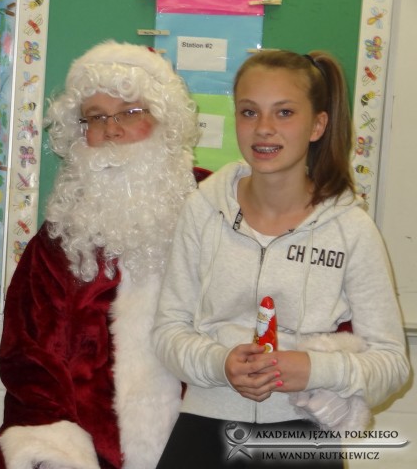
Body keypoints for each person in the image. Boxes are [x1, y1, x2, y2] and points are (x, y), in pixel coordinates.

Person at [153, 49, 410, 468]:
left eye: (285, 112)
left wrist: (313, 369)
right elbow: (168, 331)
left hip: (301, 436)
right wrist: (220, 364)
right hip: (204, 427)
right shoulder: (203, 210)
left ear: (318, 125)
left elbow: (392, 363)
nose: (264, 129)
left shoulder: (350, 228)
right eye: (249, 112)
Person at [0, 40, 207, 469]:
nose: (111, 130)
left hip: (200, 435)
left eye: (130, 112)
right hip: (86, 446)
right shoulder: (61, 234)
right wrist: (58, 445)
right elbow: (28, 353)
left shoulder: (215, 208)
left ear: (163, 120)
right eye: (96, 117)